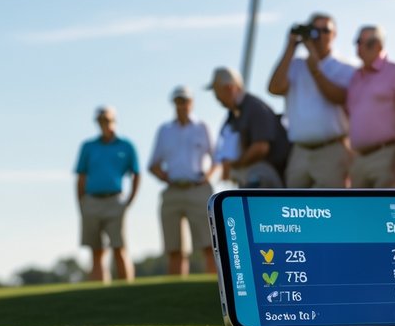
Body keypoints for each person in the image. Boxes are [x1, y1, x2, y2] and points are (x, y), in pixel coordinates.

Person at [267, 13, 356, 187]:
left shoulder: (346, 68)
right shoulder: (295, 65)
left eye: (325, 30)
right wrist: (291, 46)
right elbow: (275, 88)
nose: (320, 35)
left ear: (334, 34)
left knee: (331, 209)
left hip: (332, 150)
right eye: (315, 30)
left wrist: (316, 70)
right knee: (295, 209)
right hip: (300, 151)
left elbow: (340, 98)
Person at [147, 86, 215, 275]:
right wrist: (166, 178)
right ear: (174, 104)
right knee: (174, 248)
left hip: (199, 189)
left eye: (185, 101)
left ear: (191, 103)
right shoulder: (165, 130)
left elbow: (216, 158)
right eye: (178, 101)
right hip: (173, 190)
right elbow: (153, 164)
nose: (182, 105)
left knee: (208, 243)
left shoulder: (202, 127)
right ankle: (177, 287)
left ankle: (214, 287)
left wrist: (207, 176)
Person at [344, 26, 395, 188]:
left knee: (385, 210)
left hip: (387, 156)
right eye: (357, 42)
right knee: (360, 212)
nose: (358, 47)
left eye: (364, 43)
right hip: (359, 158)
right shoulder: (355, 77)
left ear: (377, 45)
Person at [74, 106, 140, 282]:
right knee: (96, 251)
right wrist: (82, 203)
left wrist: (129, 200)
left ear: (114, 120)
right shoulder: (88, 146)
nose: (104, 123)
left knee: (119, 248)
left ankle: (128, 288)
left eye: (107, 120)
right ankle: (99, 292)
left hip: (115, 201)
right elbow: (81, 177)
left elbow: (136, 173)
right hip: (92, 202)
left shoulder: (126, 146)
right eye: (100, 120)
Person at [209, 66, 289, 188]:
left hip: (269, 173)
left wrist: (236, 163)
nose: (216, 98)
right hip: (249, 173)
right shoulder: (233, 115)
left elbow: (261, 148)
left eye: (216, 91)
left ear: (229, 88)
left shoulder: (254, 107)